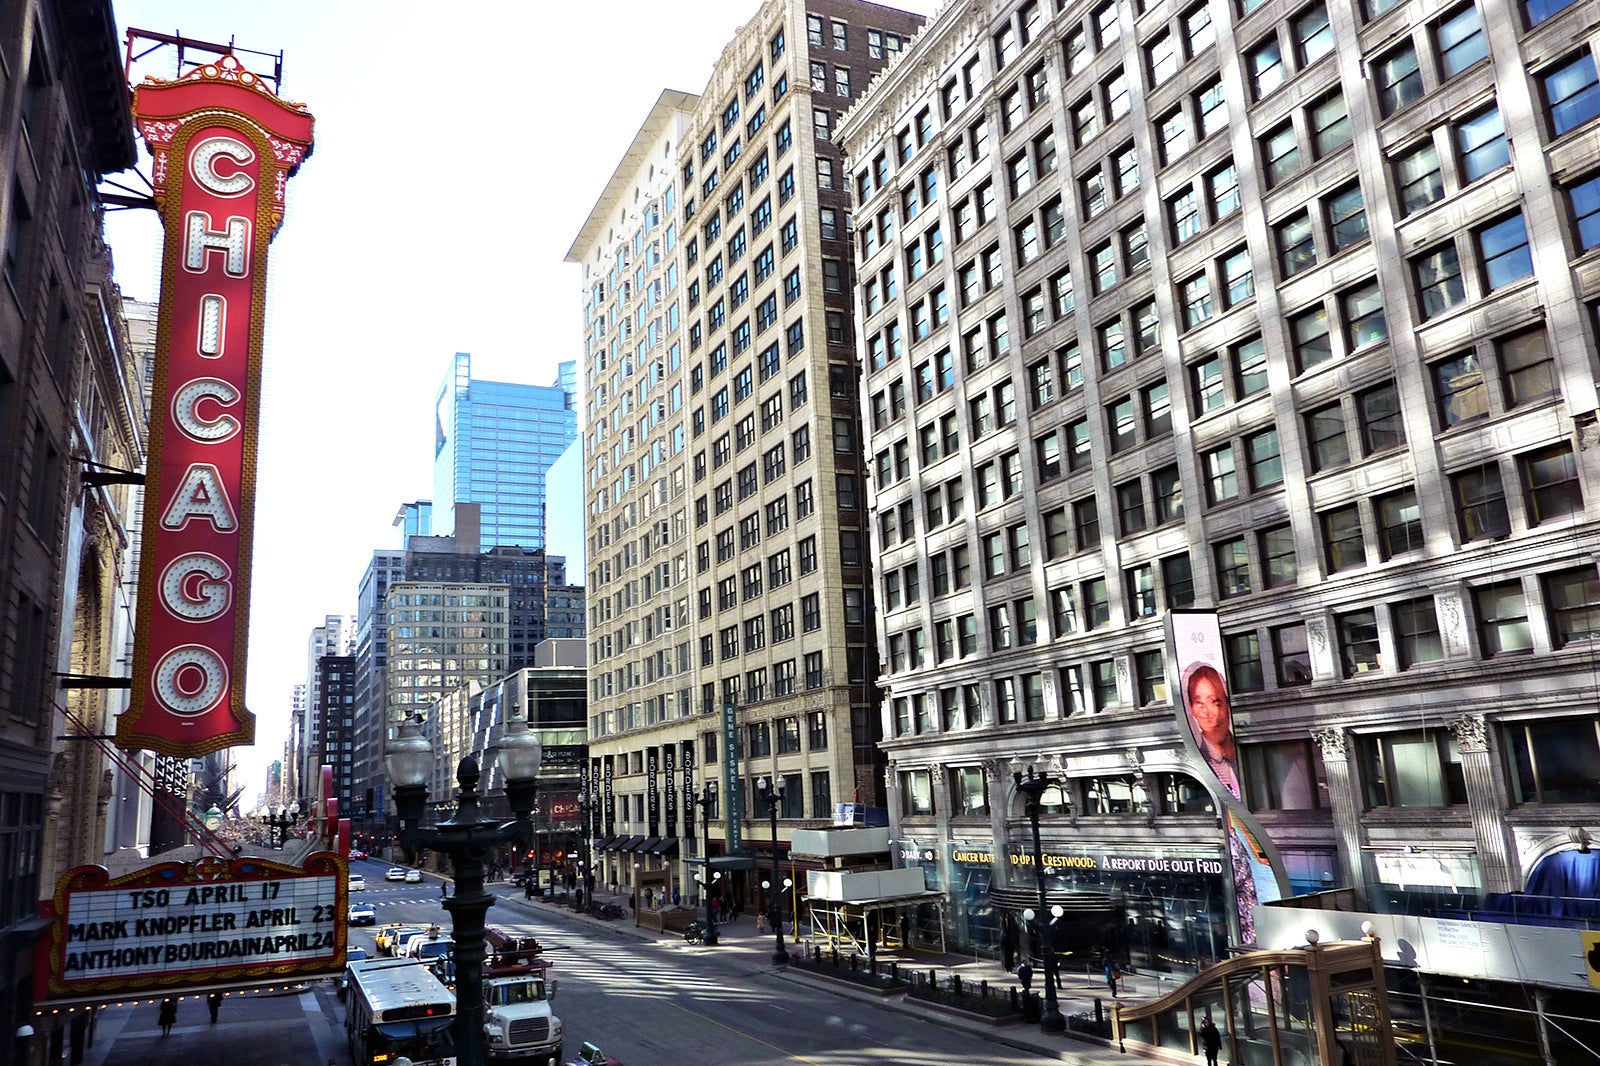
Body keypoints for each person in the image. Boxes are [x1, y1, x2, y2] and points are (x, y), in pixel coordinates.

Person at [1183, 663, 1241, 798]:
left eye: (1216, 702)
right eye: (1200, 704)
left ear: (1227, 705)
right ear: (1192, 710)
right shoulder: (1199, 760)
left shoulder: (1246, 750)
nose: (1208, 713)